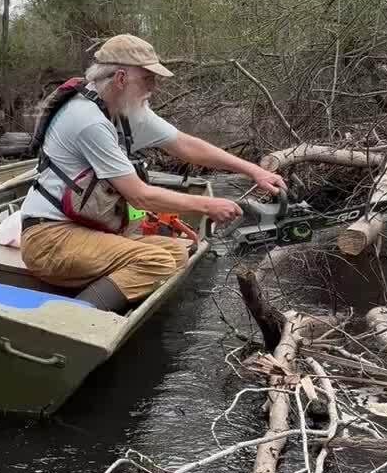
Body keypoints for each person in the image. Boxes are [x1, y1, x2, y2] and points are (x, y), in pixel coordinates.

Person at [20, 34, 286, 312]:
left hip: (82, 231)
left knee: (177, 251)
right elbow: (140, 196)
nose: (154, 87)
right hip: (48, 240)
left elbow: (184, 144)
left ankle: (96, 298)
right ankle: (69, 320)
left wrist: (253, 170)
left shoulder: (122, 108)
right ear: (121, 78)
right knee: (156, 262)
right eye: (147, 78)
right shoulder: (88, 121)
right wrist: (208, 205)